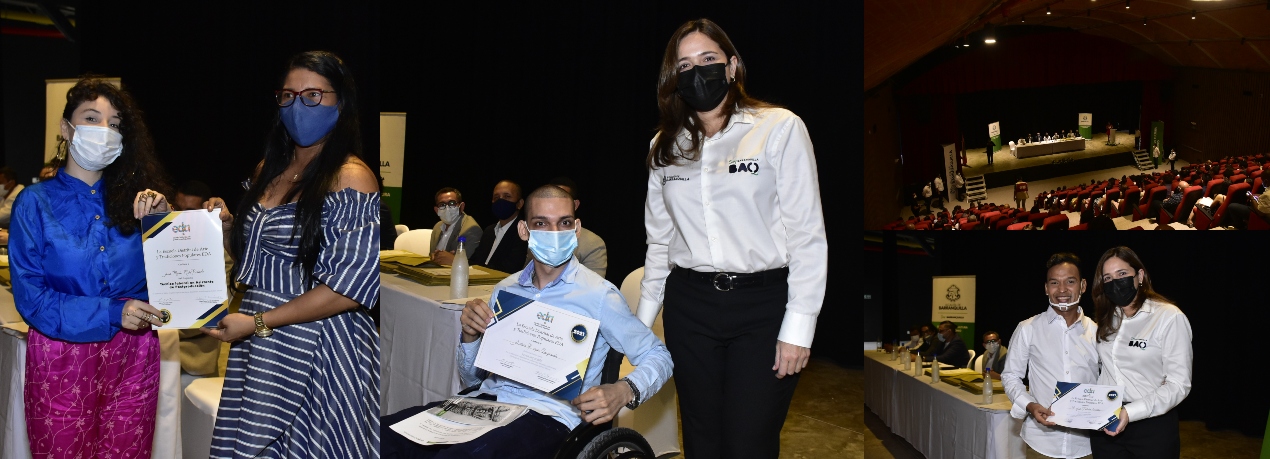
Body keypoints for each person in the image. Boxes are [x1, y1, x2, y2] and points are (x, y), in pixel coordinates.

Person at [638, 18, 827, 458]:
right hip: (689, 306)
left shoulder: (778, 128)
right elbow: (659, 244)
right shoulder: (664, 146)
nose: (697, 71)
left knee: (749, 441)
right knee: (701, 440)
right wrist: (640, 327)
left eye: (708, 59)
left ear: (733, 66)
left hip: (762, 307)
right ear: (673, 78)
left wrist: (799, 327)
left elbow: (807, 236)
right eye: (684, 65)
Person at [380, 186, 673, 457]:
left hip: (547, 416)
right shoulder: (506, 290)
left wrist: (623, 390)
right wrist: (470, 337)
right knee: (376, 438)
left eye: (565, 223)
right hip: (484, 404)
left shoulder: (598, 295)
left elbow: (659, 357)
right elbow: (472, 380)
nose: (555, 232)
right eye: (542, 224)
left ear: (577, 229)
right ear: (524, 230)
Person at [203, 50, 381, 457]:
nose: (299, 106)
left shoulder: (350, 176)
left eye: (314, 96)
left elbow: (348, 288)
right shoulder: (270, 167)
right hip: (261, 339)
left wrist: (258, 322)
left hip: (321, 344)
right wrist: (230, 226)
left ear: (342, 102)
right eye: (289, 96)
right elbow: (257, 258)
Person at [9, 76, 174, 457]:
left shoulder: (140, 204)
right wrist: (113, 311)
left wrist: (168, 228)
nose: (105, 132)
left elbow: (170, 287)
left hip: (133, 360)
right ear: (67, 128)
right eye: (92, 118)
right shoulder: (35, 203)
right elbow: (32, 298)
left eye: (115, 124)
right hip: (60, 359)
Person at [1090, 247, 1193, 458]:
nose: (1115, 282)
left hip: (1151, 425)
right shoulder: (1107, 318)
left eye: (1122, 274)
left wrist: (1130, 412)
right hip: (1106, 420)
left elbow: (1179, 384)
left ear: (1140, 276)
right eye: (1107, 278)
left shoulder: (1168, 317)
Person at [1001, 252, 1099, 459]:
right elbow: (1010, 375)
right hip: (1041, 442)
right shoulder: (1027, 328)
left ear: (1082, 286)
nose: (1062, 290)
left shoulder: (1098, 332)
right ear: (1046, 288)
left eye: (1070, 282)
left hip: (1087, 445)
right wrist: (1029, 404)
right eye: (1054, 282)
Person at [545, 176, 608, 277]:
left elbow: (593, 288)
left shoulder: (592, 243)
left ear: (575, 205)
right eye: (549, 198)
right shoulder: (534, 233)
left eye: (562, 198)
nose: (554, 203)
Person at [468, 179, 529, 275]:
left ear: (520, 204)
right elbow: (474, 261)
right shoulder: (489, 231)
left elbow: (510, 269)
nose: (501, 201)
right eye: (496, 197)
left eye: (507, 196)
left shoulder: (524, 231)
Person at [429, 186, 483, 265]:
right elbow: (432, 255)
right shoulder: (437, 227)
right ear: (437, 210)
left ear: (461, 206)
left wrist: (454, 260)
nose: (447, 208)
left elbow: (470, 264)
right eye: (442, 204)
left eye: (452, 203)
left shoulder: (471, 229)